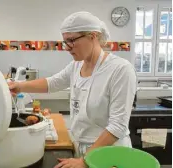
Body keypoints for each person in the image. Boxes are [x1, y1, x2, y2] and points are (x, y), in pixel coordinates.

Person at [8, 11, 137, 168]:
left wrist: (85, 160)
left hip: (109, 154)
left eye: (72, 41)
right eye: (65, 42)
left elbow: (117, 126)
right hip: (81, 148)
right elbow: (52, 83)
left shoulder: (120, 69)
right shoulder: (77, 65)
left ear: (93, 36)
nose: (67, 48)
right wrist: (19, 86)